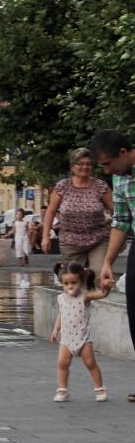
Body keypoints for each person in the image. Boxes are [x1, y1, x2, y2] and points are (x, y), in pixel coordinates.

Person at [91, 130, 135, 401]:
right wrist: (108, 262)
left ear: (123, 152)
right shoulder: (119, 178)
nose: (106, 171)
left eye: (108, 164)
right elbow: (121, 221)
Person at [41, 147, 112, 277]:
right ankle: (66, 277)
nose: (85, 167)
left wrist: (118, 235)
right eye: (81, 164)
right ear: (73, 167)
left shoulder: (101, 187)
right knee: (75, 279)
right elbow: (50, 212)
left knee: (98, 275)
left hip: (98, 240)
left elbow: (115, 211)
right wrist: (45, 236)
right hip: (71, 242)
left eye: (88, 164)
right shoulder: (62, 186)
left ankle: (92, 288)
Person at [49, 261, 109, 403]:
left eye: (74, 283)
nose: (70, 286)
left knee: (90, 363)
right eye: (66, 283)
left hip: (83, 338)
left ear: (81, 281)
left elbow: (102, 294)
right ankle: (62, 390)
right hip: (66, 338)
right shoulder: (61, 298)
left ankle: (100, 388)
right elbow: (61, 314)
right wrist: (56, 329)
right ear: (61, 283)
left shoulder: (85, 296)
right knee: (62, 364)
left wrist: (107, 287)